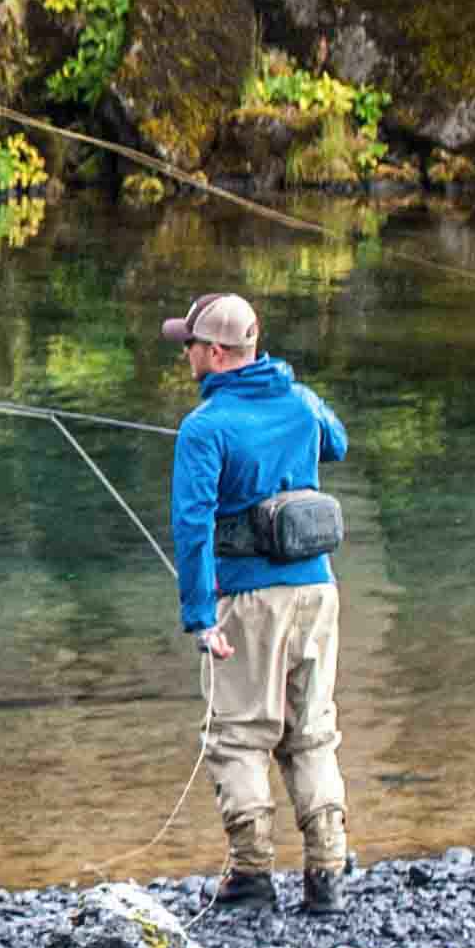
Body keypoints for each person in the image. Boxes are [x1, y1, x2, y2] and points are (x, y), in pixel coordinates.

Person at [163, 292, 353, 914]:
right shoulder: (298, 402)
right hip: (317, 594)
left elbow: (192, 526)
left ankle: (251, 875)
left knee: (239, 737)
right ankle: (327, 875)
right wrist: (293, 395)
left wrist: (198, 617)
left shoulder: (204, 428)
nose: (184, 355)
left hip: (248, 600)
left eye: (189, 345)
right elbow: (337, 443)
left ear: (215, 354)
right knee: (311, 734)